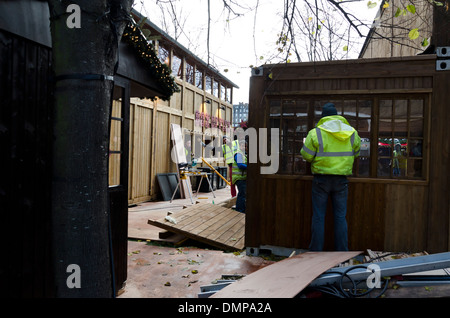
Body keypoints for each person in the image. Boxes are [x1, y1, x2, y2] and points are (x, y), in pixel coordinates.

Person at [300, 103, 361, 251]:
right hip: (341, 180)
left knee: (319, 216)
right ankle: (341, 252)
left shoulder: (316, 133)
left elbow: (306, 156)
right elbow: (357, 153)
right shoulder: (352, 133)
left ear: (323, 118)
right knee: (340, 217)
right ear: (337, 116)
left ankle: (316, 252)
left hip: (321, 180)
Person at [232, 140, 247, 213]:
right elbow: (240, 165)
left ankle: (240, 209)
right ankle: (240, 210)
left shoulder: (243, 154)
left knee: (242, 194)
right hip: (239, 178)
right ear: (240, 146)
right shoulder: (239, 154)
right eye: (243, 145)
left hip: (242, 177)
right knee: (242, 194)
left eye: (245, 146)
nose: (244, 147)